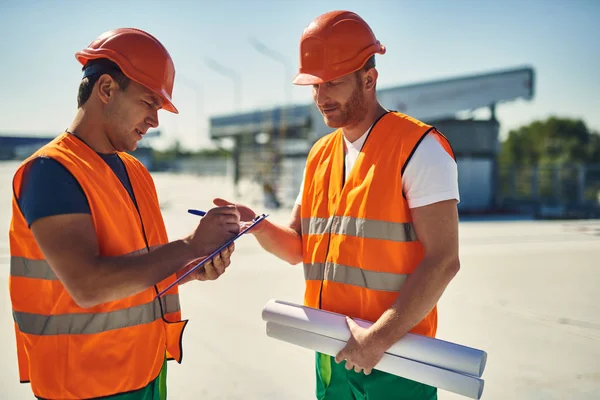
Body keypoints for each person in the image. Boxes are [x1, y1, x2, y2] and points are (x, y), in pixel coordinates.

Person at [215, 10, 461, 400]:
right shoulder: (320, 155)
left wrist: (377, 339)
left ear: (369, 79)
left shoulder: (419, 148)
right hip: (333, 353)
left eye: (332, 83)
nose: (320, 97)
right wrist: (257, 225)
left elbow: (445, 260)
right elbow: (299, 246)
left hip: (398, 358)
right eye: (314, 85)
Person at [8, 28, 240, 400]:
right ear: (106, 89)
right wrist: (190, 244)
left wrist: (192, 266)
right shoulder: (51, 171)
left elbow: (136, 268)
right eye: (150, 103)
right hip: (83, 387)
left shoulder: (136, 172)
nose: (156, 121)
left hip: (146, 373)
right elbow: (89, 285)